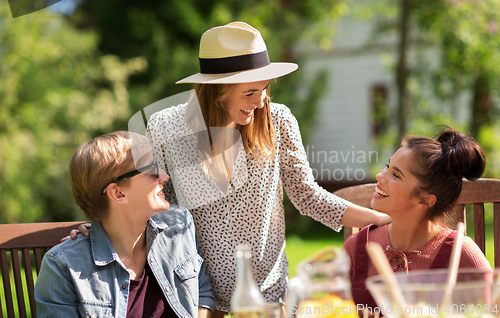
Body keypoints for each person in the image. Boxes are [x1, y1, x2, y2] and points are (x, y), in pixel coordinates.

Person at [70, 21, 391, 316]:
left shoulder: (278, 121)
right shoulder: (166, 127)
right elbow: (153, 205)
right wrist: (102, 230)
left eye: (265, 88)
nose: (262, 100)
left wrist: (382, 219)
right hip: (197, 295)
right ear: (216, 91)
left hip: (270, 297)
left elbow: (309, 197)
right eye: (250, 92)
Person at [35, 131, 216, 318]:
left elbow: (202, 295)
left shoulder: (178, 225)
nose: (164, 176)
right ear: (118, 194)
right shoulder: (63, 267)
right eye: (152, 170)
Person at [342, 127, 492, 312]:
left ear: (425, 200)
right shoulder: (356, 246)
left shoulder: (461, 253)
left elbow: (491, 311)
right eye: (387, 167)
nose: (380, 176)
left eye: (396, 175)